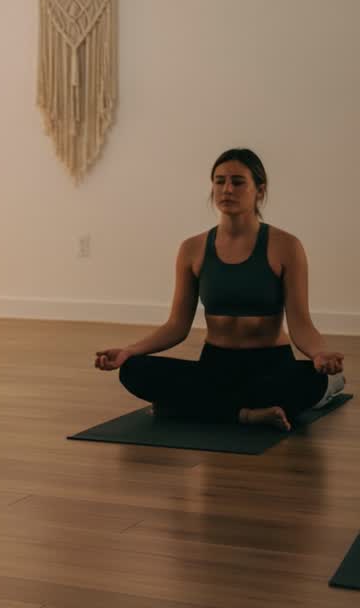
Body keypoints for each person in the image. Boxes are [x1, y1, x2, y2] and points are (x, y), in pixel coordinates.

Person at [95, 148, 345, 430]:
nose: (227, 189)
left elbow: (301, 324)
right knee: (134, 371)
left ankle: (190, 408)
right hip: (215, 365)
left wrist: (319, 354)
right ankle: (246, 414)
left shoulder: (286, 246)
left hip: (271, 367)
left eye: (238, 182)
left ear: (260, 190)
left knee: (312, 380)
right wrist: (129, 351)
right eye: (219, 181)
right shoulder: (192, 249)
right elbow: (177, 325)